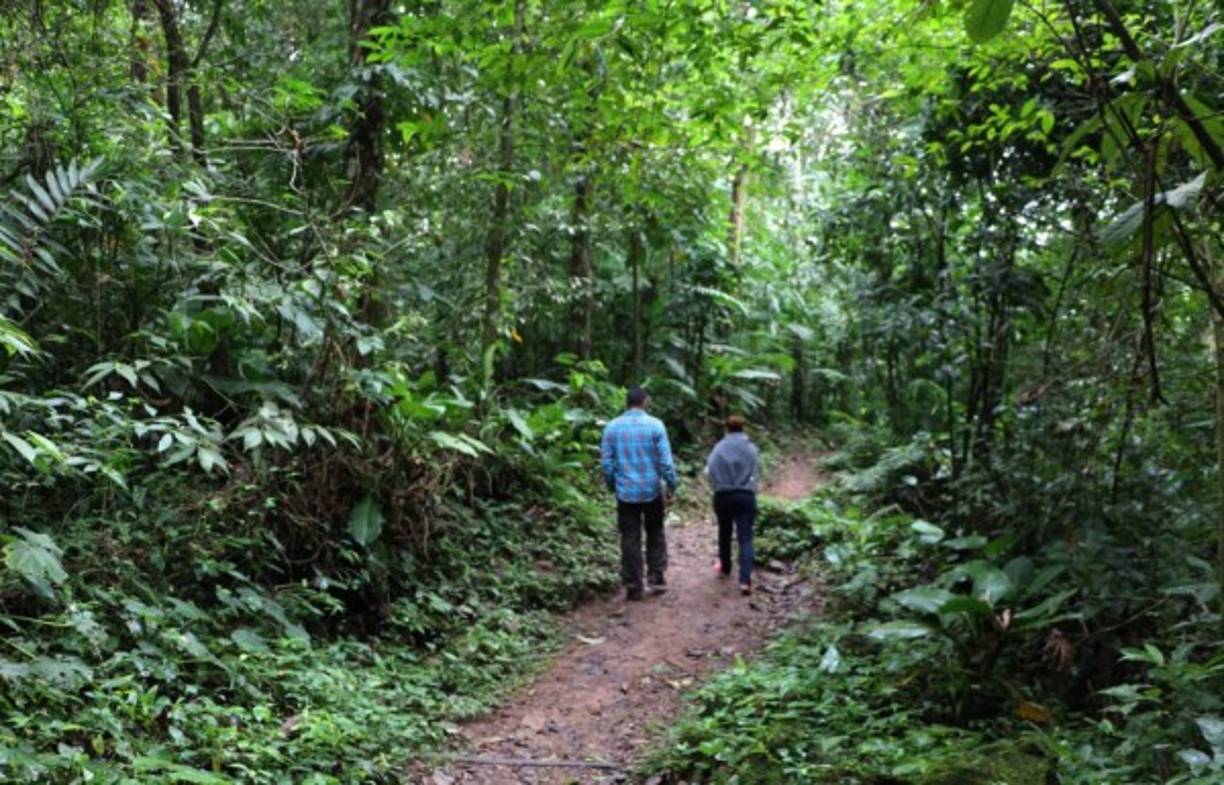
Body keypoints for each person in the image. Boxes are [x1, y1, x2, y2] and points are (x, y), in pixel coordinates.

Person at [600, 385, 677, 601]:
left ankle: (634, 585)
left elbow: (607, 464)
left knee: (630, 538)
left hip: (625, 493)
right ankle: (656, 578)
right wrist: (671, 485)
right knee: (655, 532)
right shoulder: (656, 425)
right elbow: (665, 461)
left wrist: (612, 485)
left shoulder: (612, 428)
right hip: (652, 490)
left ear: (626, 403)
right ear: (645, 401)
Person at [706, 415, 759, 595]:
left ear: (726, 429)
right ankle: (744, 581)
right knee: (745, 538)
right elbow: (754, 473)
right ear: (743, 428)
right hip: (745, 496)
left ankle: (726, 568)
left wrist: (718, 483)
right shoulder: (751, 448)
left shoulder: (718, 448)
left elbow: (709, 470)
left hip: (723, 495)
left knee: (724, 532)